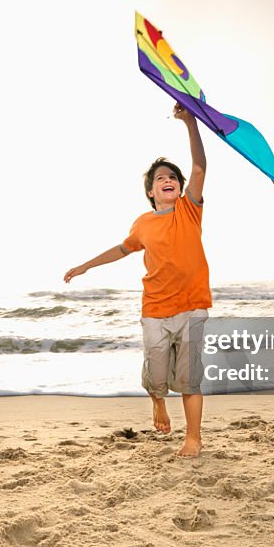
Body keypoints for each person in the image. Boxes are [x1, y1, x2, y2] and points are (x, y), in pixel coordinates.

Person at [64, 104, 211, 458]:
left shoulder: (189, 209)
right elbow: (121, 249)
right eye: (160, 178)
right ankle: (158, 401)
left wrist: (190, 123)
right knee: (157, 374)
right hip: (155, 309)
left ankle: (193, 438)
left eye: (172, 177)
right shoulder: (143, 223)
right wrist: (86, 265)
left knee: (189, 378)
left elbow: (199, 166)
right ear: (150, 191)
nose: (168, 180)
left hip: (193, 306)